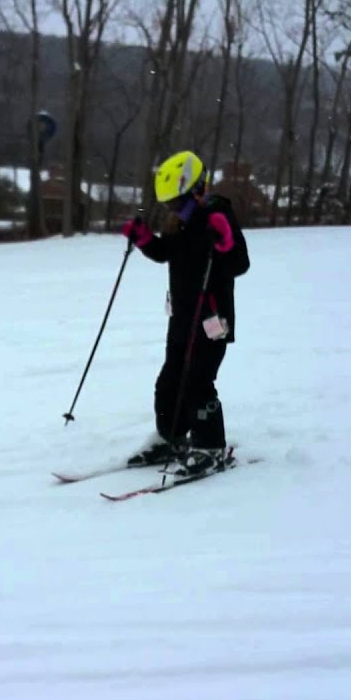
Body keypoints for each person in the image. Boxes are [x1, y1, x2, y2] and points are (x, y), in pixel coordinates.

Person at [121, 151, 250, 476]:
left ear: (198, 190)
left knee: (198, 382)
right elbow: (167, 253)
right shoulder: (179, 223)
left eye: (178, 202)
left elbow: (240, 264)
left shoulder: (217, 215)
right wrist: (146, 240)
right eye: (170, 205)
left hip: (210, 320)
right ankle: (171, 437)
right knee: (169, 382)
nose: (174, 210)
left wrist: (225, 243)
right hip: (180, 317)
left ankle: (211, 448)